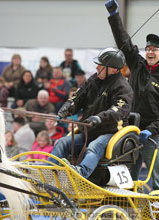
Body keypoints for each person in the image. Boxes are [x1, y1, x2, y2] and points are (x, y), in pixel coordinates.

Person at [105, 0, 159, 190]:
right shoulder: (137, 64)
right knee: (124, 185)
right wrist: (114, 16)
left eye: (154, 49)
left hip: (152, 137)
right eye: (147, 48)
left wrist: (152, 130)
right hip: (129, 133)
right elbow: (124, 42)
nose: (149, 51)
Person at [48, 47, 133, 179]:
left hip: (111, 133)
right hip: (88, 131)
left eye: (100, 65)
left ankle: (79, 174)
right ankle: (49, 174)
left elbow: (117, 110)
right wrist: (66, 108)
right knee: (61, 143)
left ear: (113, 69)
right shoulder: (94, 80)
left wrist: (99, 118)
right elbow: (77, 97)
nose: (96, 68)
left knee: (94, 147)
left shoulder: (123, 87)